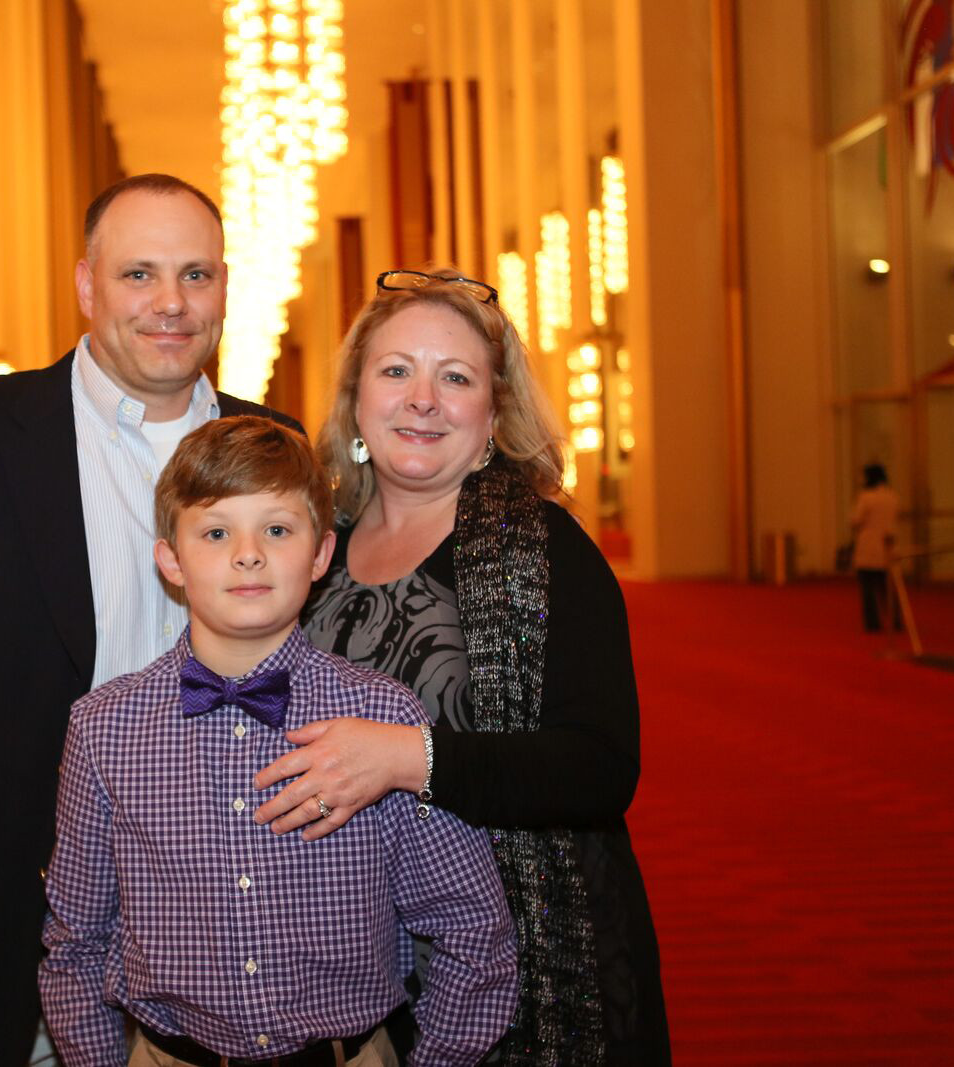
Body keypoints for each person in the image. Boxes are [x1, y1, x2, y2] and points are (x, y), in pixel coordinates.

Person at [0, 174, 298, 1066]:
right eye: (138, 274)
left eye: (195, 274)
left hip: (236, 924)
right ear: (85, 285)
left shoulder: (280, 448)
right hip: (0, 920)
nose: (171, 303)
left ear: (224, 287)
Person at [255, 269, 671, 1064]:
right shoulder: (313, 552)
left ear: (492, 417)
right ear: (356, 399)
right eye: (396, 370)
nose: (423, 399)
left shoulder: (547, 552)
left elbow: (600, 767)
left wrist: (407, 757)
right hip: (344, 968)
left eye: (455, 378)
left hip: (520, 970)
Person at [40, 415, 519, 1067]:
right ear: (171, 560)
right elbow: (76, 944)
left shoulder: (383, 713)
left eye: (277, 529)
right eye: (216, 532)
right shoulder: (104, 728)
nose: (248, 554)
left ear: (320, 554)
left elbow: (471, 924)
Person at [850, 463, 900, 632]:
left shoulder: (866, 497)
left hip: (868, 545)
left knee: (868, 589)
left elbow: (856, 520)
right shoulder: (892, 496)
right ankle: (896, 620)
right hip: (886, 545)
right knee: (887, 589)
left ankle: (872, 623)